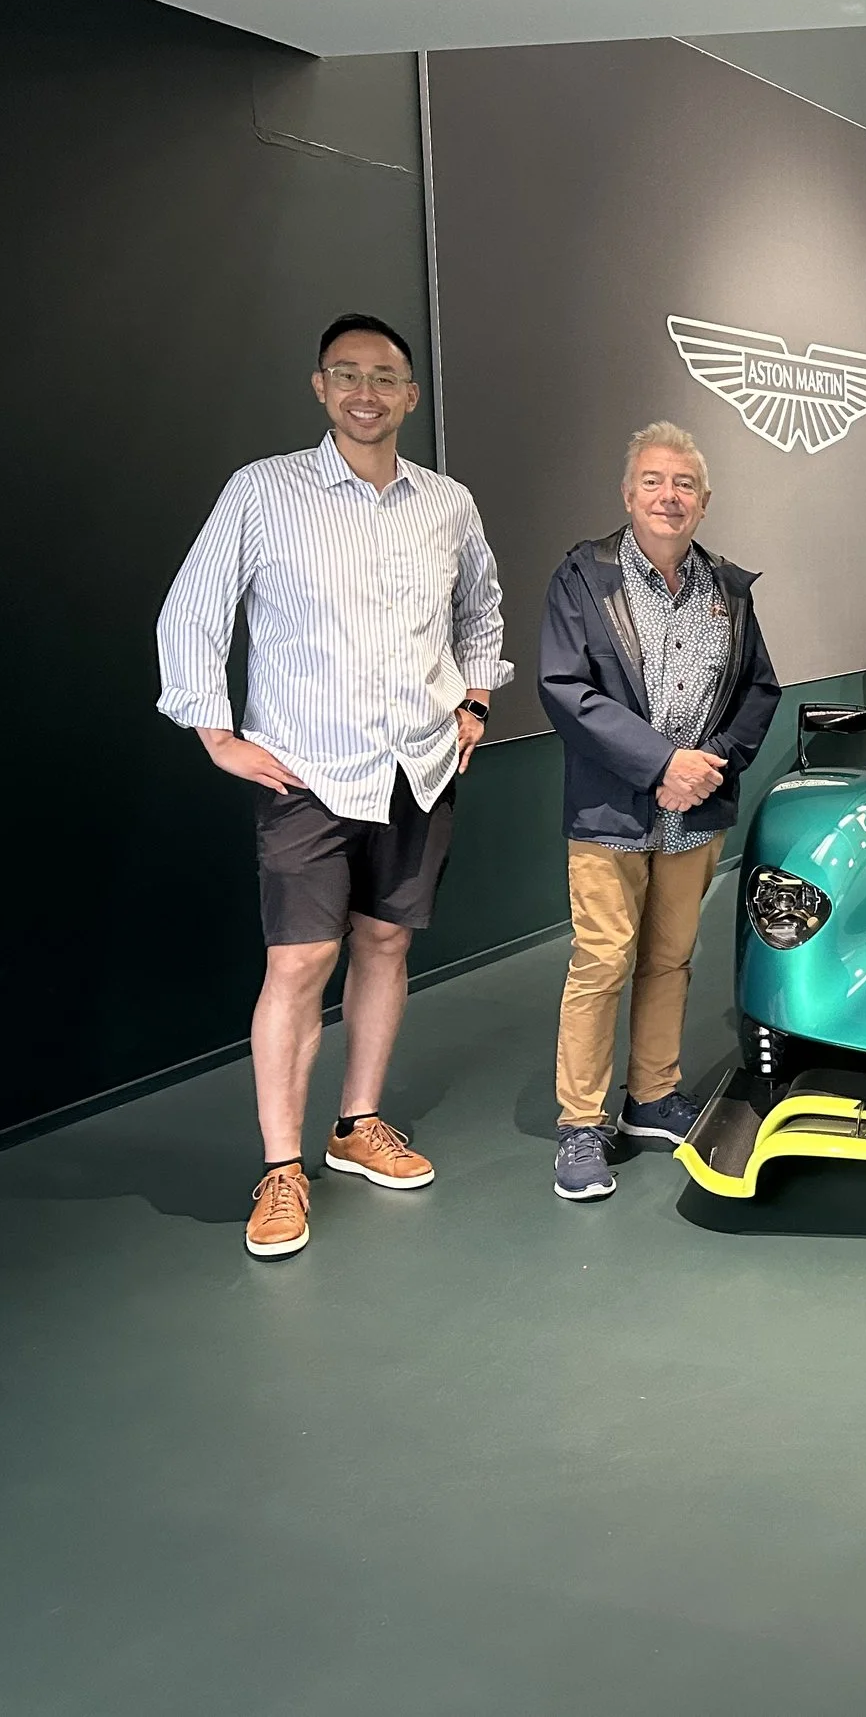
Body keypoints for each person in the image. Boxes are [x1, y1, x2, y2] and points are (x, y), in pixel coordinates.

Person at [157, 313, 511, 1260]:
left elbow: (481, 604)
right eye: (347, 374)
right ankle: (282, 1168)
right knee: (300, 966)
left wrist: (474, 701)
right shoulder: (263, 492)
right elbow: (193, 607)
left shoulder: (447, 502)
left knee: (387, 940)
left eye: (385, 376)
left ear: (410, 395)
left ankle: (357, 1126)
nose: (366, 391)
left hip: (420, 763)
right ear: (320, 387)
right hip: (307, 770)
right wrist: (215, 731)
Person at [539, 422, 781, 1201]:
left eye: (683, 485)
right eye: (653, 481)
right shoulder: (585, 578)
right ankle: (582, 1123)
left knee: (671, 957)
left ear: (703, 503)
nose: (667, 496)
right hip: (613, 808)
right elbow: (567, 689)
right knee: (603, 958)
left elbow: (758, 691)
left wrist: (708, 767)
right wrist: (661, 763)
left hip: (694, 813)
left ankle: (650, 1096)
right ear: (627, 493)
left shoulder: (727, 591)